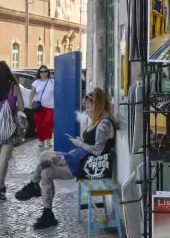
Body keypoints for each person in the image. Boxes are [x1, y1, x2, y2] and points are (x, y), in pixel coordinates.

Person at [15, 88, 117, 230]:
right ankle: (47, 213)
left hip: (90, 166)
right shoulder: (98, 119)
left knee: (45, 157)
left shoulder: (104, 123)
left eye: (88, 107)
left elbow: (98, 150)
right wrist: (80, 142)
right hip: (80, 158)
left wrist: (79, 143)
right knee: (45, 171)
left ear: (97, 105)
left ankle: (33, 186)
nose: (86, 110)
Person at [0, 61, 25, 203]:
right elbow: (21, 106)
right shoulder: (13, 87)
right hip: (9, 125)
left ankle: (1, 187)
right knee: (3, 160)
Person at [28, 65, 55, 148]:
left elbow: (57, 93)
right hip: (39, 107)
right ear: (39, 73)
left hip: (50, 106)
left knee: (48, 123)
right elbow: (32, 93)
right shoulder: (36, 82)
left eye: (45, 71)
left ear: (48, 72)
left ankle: (48, 140)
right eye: (41, 71)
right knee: (39, 124)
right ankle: (41, 140)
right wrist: (30, 102)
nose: (43, 73)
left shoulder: (52, 81)